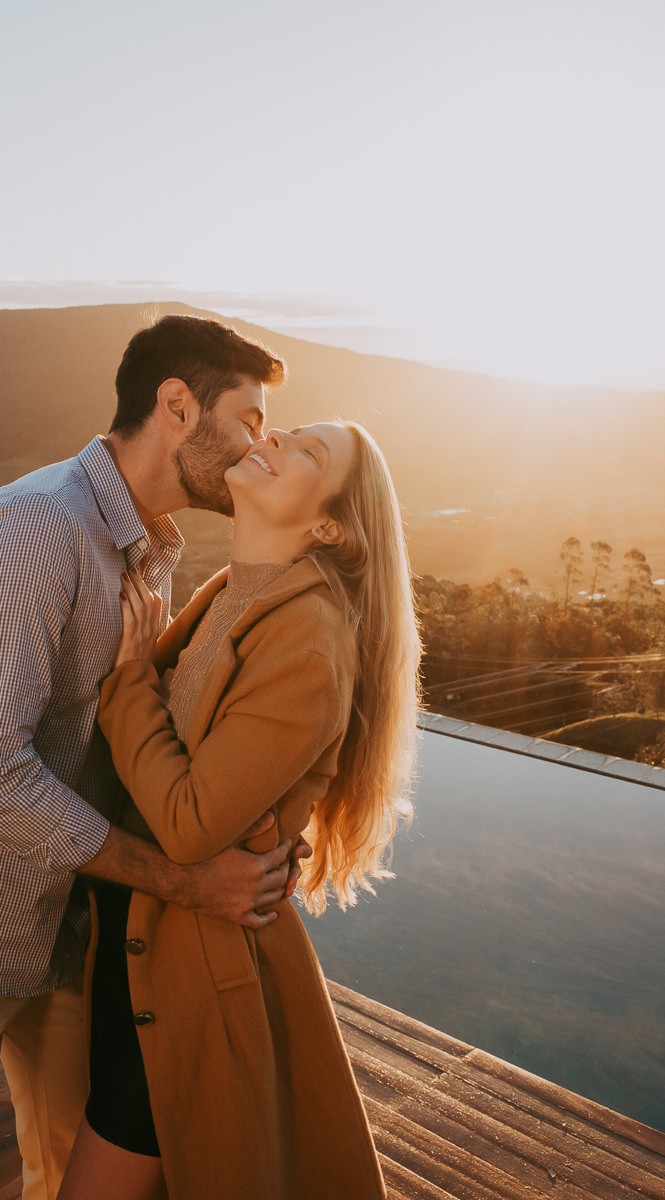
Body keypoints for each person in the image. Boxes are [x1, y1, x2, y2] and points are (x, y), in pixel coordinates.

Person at [0, 314, 302, 1200]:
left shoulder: (150, 549)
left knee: (76, 1171)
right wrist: (182, 881)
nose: (263, 444)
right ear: (177, 404)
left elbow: (129, 733)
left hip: (60, 922)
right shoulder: (40, 529)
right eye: (249, 419)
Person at [58, 420, 422, 1200]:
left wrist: (126, 680)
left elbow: (189, 824)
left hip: (191, 969)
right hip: (139, 944)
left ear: (327, 525)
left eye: (308, 452)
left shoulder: (307, 636)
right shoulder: (232, 591)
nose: (278, 435)